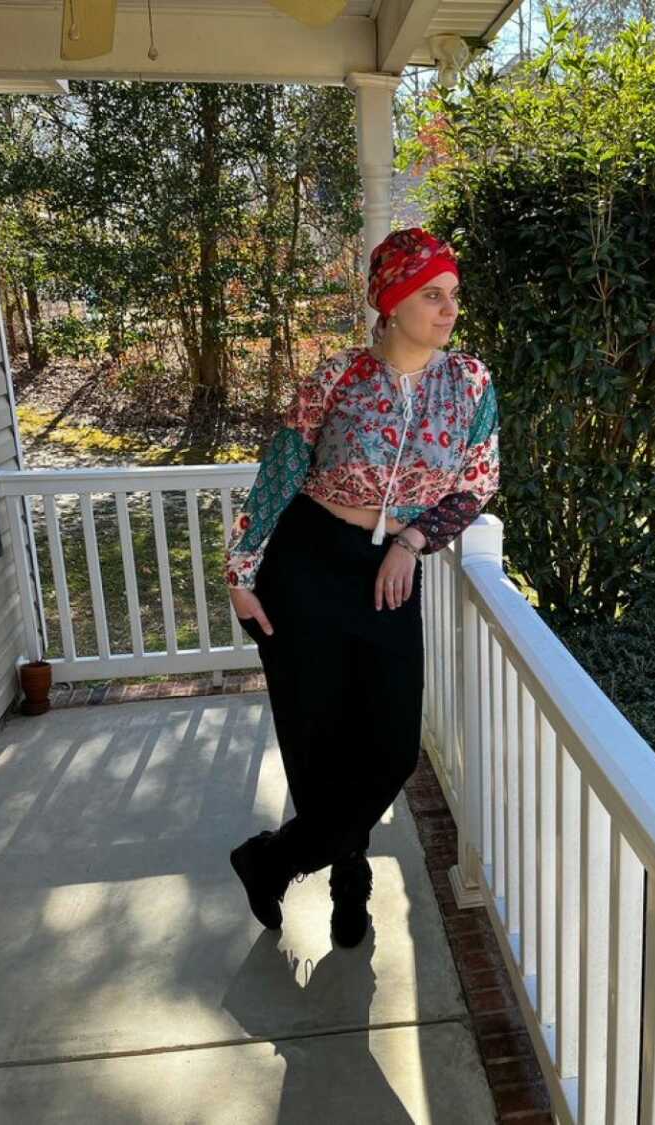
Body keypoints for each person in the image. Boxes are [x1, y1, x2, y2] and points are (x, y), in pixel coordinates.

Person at [224, 227, 500, 948]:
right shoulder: (337, 378)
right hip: (308, 563)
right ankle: (352, 880)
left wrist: (413, 540)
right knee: (318, 744)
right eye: (431, 295)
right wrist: (241, 572)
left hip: (387, 575)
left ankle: (272, 858)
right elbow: (282, 469)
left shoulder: (468, 383)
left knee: (390, 748)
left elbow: (477, 483)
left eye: (453, 295)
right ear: (392, 300)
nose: (448, 310)